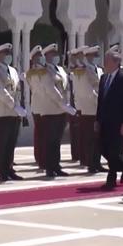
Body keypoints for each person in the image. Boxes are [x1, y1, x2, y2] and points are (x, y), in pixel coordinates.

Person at [0, 43, 26, 181]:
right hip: (1, 112)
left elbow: (17, 91)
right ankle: (2, 170)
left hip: (14, 112)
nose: (8, 56)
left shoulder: (13, 70)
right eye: (4, 53)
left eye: (8, 53)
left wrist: (19, 106)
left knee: (11, 143)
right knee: (1, 143)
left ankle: (9, 168)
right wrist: (14, 106)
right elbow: (0, 91)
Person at [95, 45, 123, 190]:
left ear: (116, 62)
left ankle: (111, 179)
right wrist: (97, 120)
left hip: (118, 122)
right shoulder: (104, 78)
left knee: (113, 150)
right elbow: (100, 100)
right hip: (104, 120)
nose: (105, 63)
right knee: (102, 148)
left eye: (107, 60)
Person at [40, 43, 76, 178]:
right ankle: (50, 167)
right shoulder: (44, 71)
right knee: (50, 141)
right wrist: (63, 104)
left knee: (57, 141)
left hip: (61, 110)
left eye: (56, 54)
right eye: (52, 54)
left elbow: (65, 88)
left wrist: (67, 104)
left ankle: (56, 165)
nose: (55, 57)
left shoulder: (60, 69)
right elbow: (51, 89)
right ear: (47, 56)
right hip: (50, 110)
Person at [74, 45, 107, 173]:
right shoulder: (83, 70)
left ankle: (97, 162)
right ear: (87, 57)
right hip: (90, 108)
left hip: (99, 108)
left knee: (98, 137)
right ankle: (91, 163)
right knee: (90, 138)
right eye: (94, 56)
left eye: (97, 56)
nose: (96, 58)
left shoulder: (98, 70)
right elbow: (88, 90)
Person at [26, 45, 45, 170]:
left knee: (45, 135)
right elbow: (38, 89)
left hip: (46, 106)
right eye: (38, 56)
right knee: (40, 134)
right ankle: (39, 157)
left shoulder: (44, 70)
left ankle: (44, 157)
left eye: (41, 56)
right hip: (39, 106)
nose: (41, 58)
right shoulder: (32, 72)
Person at [67, 47, 86, 162]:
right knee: (75, 131)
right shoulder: (71, 71)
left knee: (81, 131)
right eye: (79, 56)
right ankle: (76, 154)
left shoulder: (82, 69)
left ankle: (80, 153)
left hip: (82, 104)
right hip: (74, 104)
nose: (81, 58)